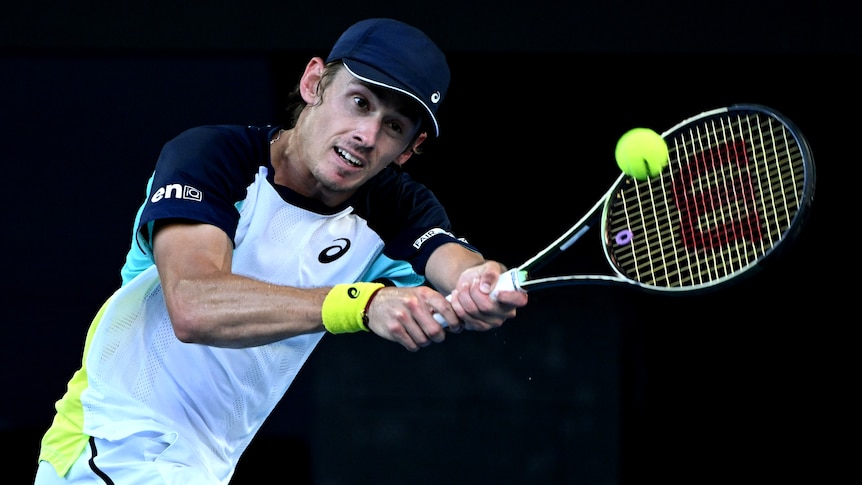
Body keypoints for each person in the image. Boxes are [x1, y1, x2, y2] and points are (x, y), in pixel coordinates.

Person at [33, 17, 528, 484]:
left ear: (409, 147)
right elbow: (194, 305)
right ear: (314, 83)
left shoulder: (395, 207)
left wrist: (477, 281)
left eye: (394, 126)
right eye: (359, 102)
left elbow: (451, 260)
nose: (367, 135)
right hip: (111, 445)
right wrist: (362, 303)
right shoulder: (212, 158)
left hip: (201, 466)